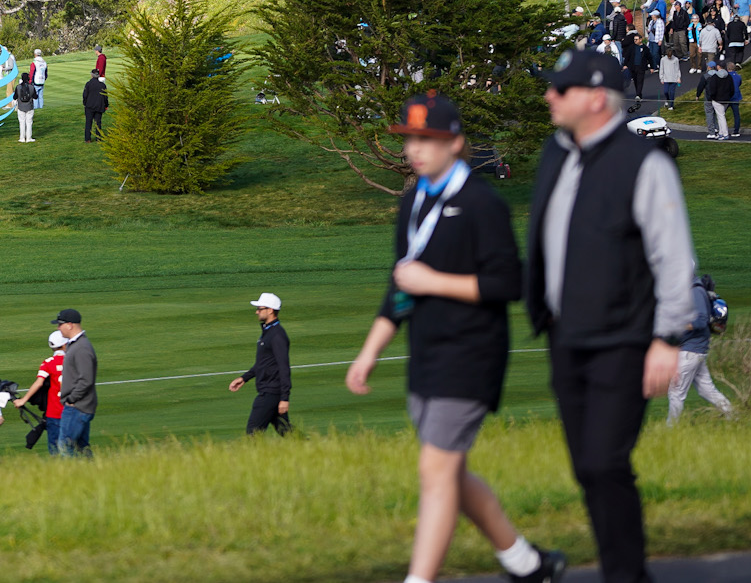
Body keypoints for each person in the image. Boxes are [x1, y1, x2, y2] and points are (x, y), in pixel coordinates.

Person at [344, 92, 566, 583]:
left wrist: (435, 283)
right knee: (449, 473)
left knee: (435, 471)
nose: (415, 149)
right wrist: (369, 351)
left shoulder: (482, 203)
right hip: (426, 354)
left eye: (428, 139)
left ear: (456, 143)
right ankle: (526, 563)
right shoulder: (414, 203)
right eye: (409, 139)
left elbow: (510, 283)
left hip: (472, 356)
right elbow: (400, 287)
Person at [532, 49, 700, 583]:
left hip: (623, 339)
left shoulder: (642, 163)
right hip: (566, 336)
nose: (549, 97)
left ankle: (626, 575)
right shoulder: (556, 152)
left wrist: (667, 338)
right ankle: (624, 572)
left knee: (605, 462)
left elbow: (673, 255)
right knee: (588, 466)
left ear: (596, 98)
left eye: (561, 89)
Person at [667, 276, 735, 424]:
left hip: (690, 351)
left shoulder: (695, 291)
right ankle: (734, 416)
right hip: (695, 351)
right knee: (706, 391)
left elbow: (700, 320)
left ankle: (670, 430)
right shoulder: (691, 289)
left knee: (676, 392)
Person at [230, 293, 292, 435]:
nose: (256, 311)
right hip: (271, 391)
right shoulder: (268, 332)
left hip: (270, 392)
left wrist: (284, 398)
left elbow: (284, 367)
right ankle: (315, 449)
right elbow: (263, 363)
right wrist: (244, 378)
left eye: (260, 308)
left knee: (253, 433)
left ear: (270, 310)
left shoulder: (277, 335)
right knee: (285, 431)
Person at [53, 308, 97, 456]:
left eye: (60, 324)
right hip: (80, 405)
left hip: (77, 406)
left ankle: (73, 477)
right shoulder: (76, 344)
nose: (58, 328)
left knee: (65, 446)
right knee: (82, 447)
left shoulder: (81, 347)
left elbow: (86, 379)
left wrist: (72, 399)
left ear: (70, 325)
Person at [16, 331, 66, 453]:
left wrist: (23, 400)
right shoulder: (74, 360)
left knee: (55, 449)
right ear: (65, 344)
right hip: (72, 411)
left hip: (54, 412)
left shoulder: (48, 363)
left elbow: (39, 383)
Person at [694, 59, 734, 140]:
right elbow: (732, 89)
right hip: (726, 99)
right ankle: (719, 132)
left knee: (715, 115)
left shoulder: (711, 77)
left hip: (714, 99)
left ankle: (718, 133)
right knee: (719, 115)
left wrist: (699, 95)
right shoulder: (728, 76)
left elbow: (708, 88)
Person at [82, 71, 108, 142]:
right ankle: (98, 138)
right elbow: (105, 97)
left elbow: (85, 95)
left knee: (88, 123)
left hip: (89, 106)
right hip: (99, 106)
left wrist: (85, 103)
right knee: (98, 123)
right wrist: (106, 105)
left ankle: (88, 139)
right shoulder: (102, 85)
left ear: (91, 75)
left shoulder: (88, 84)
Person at [13, 71, 38, 143]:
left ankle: (22, 138)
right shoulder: (31, 87)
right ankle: (29, 138)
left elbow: (14, 97)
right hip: (29, 107)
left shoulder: (18, 87)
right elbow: (35, 97)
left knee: (22, 123)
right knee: (29, 122)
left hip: (21, 107)